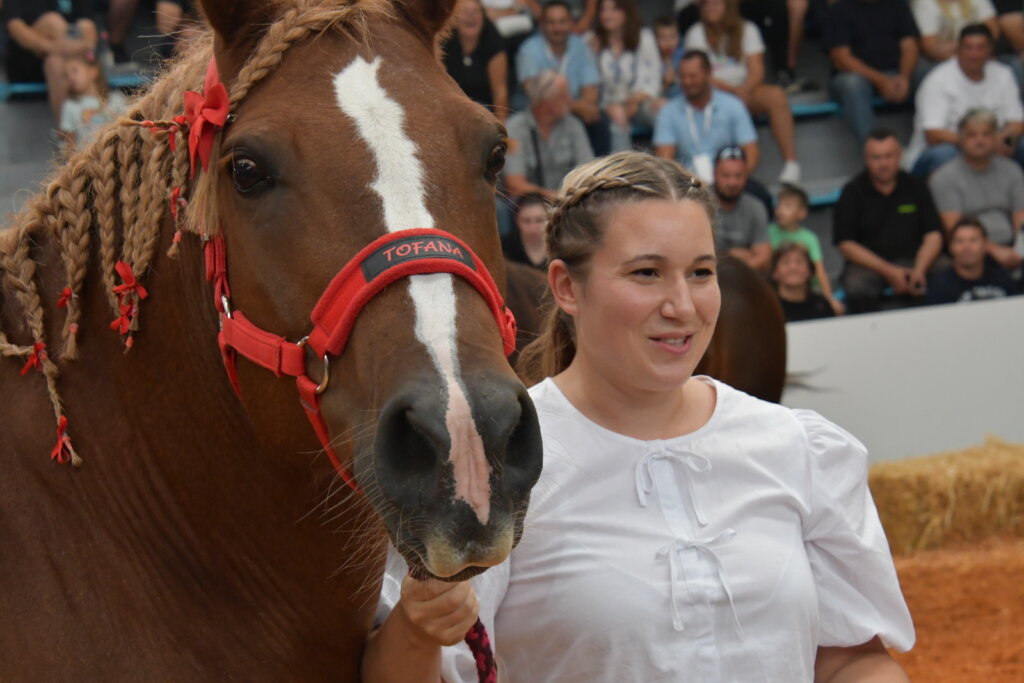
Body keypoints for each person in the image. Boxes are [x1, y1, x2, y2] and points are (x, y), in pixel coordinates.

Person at [363, 150, 915, 682]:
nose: (683, 306)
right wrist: (417, 627)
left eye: (701, 272)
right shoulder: (493, 469)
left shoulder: (796, 447)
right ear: (566, 287)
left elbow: (852, 660)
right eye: (647, 273)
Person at [684, 0, 800, 184]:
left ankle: (791, 163)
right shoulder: (695, 33)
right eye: (706, 4)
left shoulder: (748, 29)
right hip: (711, 94)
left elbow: (757, 69)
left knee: (776, 95)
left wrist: (744, 90)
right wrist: (733, 91)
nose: (711, 7)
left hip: (745, 90)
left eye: (716, 3)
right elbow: (699, 73)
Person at [834, 129, 945, 314]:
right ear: (866, 159)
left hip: (917, 260)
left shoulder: (917, 186)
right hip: (870, 266)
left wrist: (919, 269)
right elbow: (845, 244)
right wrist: (889, 271)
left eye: (889, 156)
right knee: (857, 285)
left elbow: (933, 234)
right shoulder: (851, 192)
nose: (883, 163)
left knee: (947, 271)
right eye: (876, 157)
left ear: (900, 155)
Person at [906, 24, 1023, 178]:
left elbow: (1017, 122)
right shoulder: (937, 80)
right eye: (968, 48)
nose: (974, 54)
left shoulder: (1003, 74)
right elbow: (933, 135)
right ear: (958, 49)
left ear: (990, 50)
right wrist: (981, 143)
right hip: (947, 150)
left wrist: (1004, 140)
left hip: (994, 146)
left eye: (980, 48)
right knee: (945, 153)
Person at [929, 108, 1024, 271]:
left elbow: (1021, 217)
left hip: (1012, 248)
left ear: (996, 138)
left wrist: (1020, 251)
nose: (980, 140)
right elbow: (954, 229)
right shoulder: (944, 177)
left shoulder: (1012, 170)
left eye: (986, 134)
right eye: (972, 135)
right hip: (969, 251)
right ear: (961, 139)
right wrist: (995, 251)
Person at [517, 0, 610, 154]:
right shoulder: (529, 50)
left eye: (562, 22)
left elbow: (591, 95)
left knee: (598, 118)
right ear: (542, 25)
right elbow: (534, 95)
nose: (557, 28)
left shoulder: (581, 46)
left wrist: (576, 107)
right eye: (551, 22)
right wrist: (574, 107)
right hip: (542, 111)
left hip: (574, 111)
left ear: (571, 23)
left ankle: (601, 167)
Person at [822, 0, 920, 145]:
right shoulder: (839, 9)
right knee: (852, 84)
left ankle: (930, 147)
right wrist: (881, 81)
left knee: (930, 74)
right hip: (855, 77)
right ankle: (874, 151)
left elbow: (910, 46)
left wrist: (905, 77)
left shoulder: (898, 5)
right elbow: (841, 58)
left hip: (897, 74)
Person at [653, 49, 759, 183]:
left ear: (708, 74)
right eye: (683, 76)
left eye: (692, 76)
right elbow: (665, 159)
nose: (687, 82)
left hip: (728, 180)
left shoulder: (732, 105)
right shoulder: (668, 111)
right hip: (688, 183)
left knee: (758, 193)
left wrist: (735, 179)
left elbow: (751, 151)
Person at [503, 70, 595, 200]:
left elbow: (589, 172)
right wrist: (553, 197)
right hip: (528, 204)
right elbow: (515, 186)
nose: (570, 101)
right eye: (564, 96)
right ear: (545, 104)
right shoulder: (514, 128)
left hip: (569, 200)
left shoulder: (573, 125)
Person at [3, 0, 98, 121]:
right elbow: (15, 27)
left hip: (68, 57)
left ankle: (69, 130)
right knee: (53, 23)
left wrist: (67, 48)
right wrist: (52, 47)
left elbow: (89, 29)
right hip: (26, 61)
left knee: (55, 63)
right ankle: (83, 124)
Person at [588, 0, 661, 151]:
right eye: (603, 10)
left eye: (614, 9)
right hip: (607, 103)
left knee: (663, 108)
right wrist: (592, 54)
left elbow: (653, 80)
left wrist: (634, 100)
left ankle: (669, 160)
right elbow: (591, 87)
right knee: (618, 114)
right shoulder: (591, 41)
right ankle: (624, 164)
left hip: (639, 100)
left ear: (626, 12)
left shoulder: (644, 37)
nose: (607, 15)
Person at [770, 183, 841, 311]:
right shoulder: (768, 233)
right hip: (777, 288)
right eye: (779, 205)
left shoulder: (810, 238)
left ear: (802, 213)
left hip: (809, 288)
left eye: (788, 206)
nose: (780, 210)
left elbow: (819, 270)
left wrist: (829, 298)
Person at [926, 216, 1020, 303]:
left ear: (985, 245)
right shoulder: (940, 287)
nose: (966, 247)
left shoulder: (1003, 280)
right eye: (960, 241)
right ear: (950, 247)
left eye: (973, 240)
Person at [442, 0, 509, 122]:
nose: (471, 16)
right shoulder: (444, 44)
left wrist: (501, 126)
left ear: (483, 16)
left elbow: (500, 91)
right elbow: (442, 88)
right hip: (452, 110)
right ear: (454, 18)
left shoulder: (493, 41)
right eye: (465, 12)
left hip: (485, 110)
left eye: (475, 11)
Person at [712, 145, 771, 271]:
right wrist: (731, 255)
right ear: (714, 174)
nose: (732, 182)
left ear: (747, 176)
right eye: (726, 176)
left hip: (742, 278)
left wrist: (733, 272)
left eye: (738, 176)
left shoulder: (756, 206)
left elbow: (763, 257)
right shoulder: (699, 204)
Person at [58, 51, 129, 154]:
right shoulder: (70, 106)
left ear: (93, 71)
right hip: (85, 158)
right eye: (67, 75)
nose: (71, 77)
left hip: (112, 155)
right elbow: (69, 142)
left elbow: (126, 130)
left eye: (74, 71)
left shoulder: (116, 99)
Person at [912, 0, 999, 64]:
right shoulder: (924, 3)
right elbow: (930, 48)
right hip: (944, 62)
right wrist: (967, 57)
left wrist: (976, 53)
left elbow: (994, 32)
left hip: (982, 56)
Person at [771, 242, 838, 322]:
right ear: (774, 272)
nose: (793, 267)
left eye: (799, 262)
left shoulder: (822, 305)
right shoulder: (768, 307)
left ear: (810, 270)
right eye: (786, 262)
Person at [502, 193, 549, 268]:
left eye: (539, 220)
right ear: (516, 220)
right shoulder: (504, 247)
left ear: (549, 219)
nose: (533, 228)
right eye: (526, 221)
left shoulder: (558, 246)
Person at [653, 14, 684, 102]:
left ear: (679, 37)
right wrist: (665, 83)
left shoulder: (683, 56)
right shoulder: (654, 61)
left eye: (672, 37)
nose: (668, 42)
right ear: (655, 39)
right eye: (663, 37)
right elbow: (652, 93)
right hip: (664, 100)